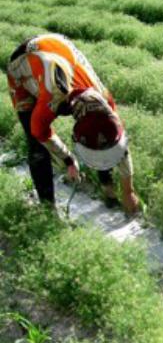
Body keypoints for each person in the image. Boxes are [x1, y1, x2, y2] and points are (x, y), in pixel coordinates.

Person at [6, 34, 140, 214]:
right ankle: (49, 210)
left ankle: (108, 190)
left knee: (101, 138)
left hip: (57, 49)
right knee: (37, 147)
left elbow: (117, 143)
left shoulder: (105, 102)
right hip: (22, 65)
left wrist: (128, 191)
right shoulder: (52, 98)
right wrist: (68, 160)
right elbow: (40, 133)